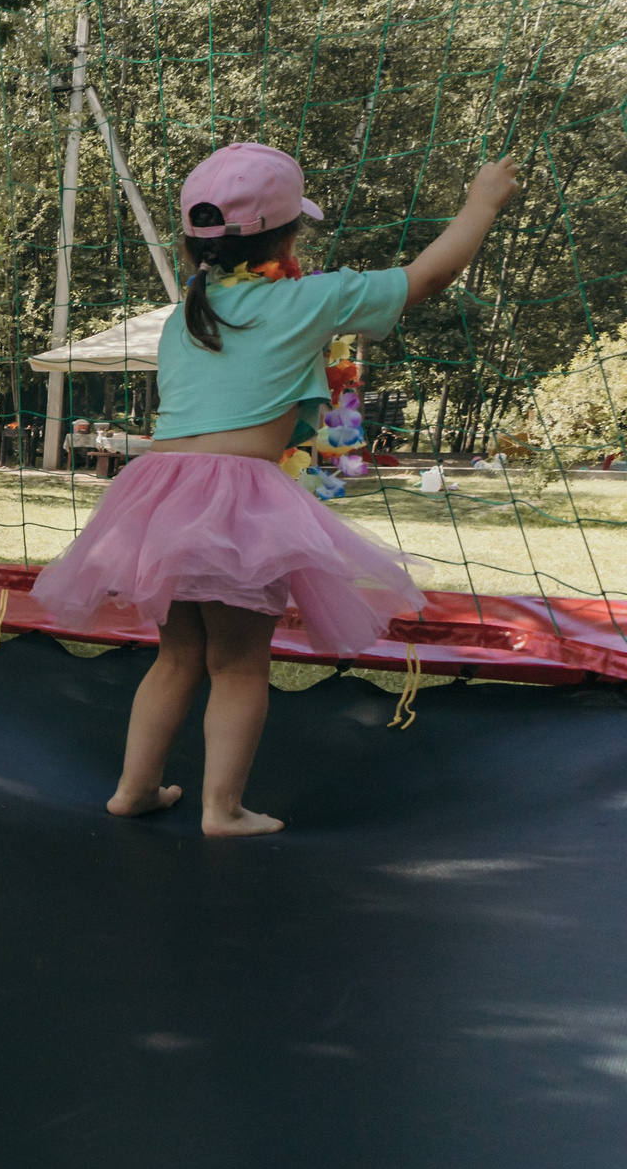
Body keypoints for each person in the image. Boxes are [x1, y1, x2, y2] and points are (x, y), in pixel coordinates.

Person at [32, 144, 521, 837]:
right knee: (237, 663)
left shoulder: (184, 317)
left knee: (177, 655)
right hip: (238, 500)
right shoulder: (307, 298)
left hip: (160, 494)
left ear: (191, 240)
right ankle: (222, 809)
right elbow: (428, 276)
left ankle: (134, 789)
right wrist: (482, 202)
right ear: (288, 238)